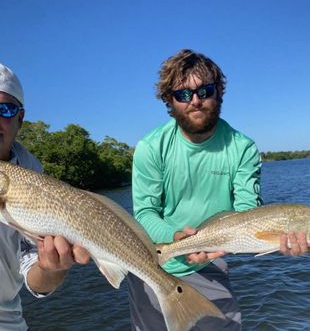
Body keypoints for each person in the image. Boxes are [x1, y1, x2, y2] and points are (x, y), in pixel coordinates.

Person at [127, 49, 309, 330]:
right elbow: (146, 213)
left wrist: (280, 242)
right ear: (169, 100)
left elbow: (249, 210)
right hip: (150, 262)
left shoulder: (242, 147)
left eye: (205, 90)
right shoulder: (151, 148)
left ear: (219, 91)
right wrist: (173, 241)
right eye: (183, 95)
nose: (196, 101)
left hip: (211, 260)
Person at [0, 63, 90, 330]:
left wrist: (53, 268)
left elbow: (34, 276)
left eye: (4, 109)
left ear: (20, 118)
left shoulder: (34, 178)